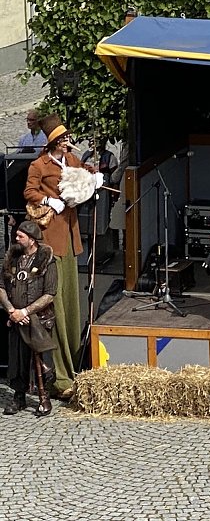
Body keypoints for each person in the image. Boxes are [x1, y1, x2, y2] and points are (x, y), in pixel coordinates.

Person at [24, 113, 102, 399]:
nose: (69, 142)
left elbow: (82, 177)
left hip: (70, 236)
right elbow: (28, 191)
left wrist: (93, 177)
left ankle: (73, 367)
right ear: (54, 142)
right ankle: (57, 376)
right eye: (65, 138)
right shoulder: (38, 165)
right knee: (54, 305)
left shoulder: (70, 161)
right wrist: (49, 201)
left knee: (71, 303)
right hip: (51, 237)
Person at [0, 221, 58, 416]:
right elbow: (1, 287)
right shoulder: (11, 259)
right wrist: (12, 311)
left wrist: (26, 311)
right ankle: (19, 398)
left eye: (20, 236)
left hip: (39, 320)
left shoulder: (46, 261)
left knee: (41, 359)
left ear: (32, 240)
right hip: (15, 318)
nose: (16, 239)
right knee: (17, 358)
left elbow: (50, 293)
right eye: (16, 235)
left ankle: (44, 397)